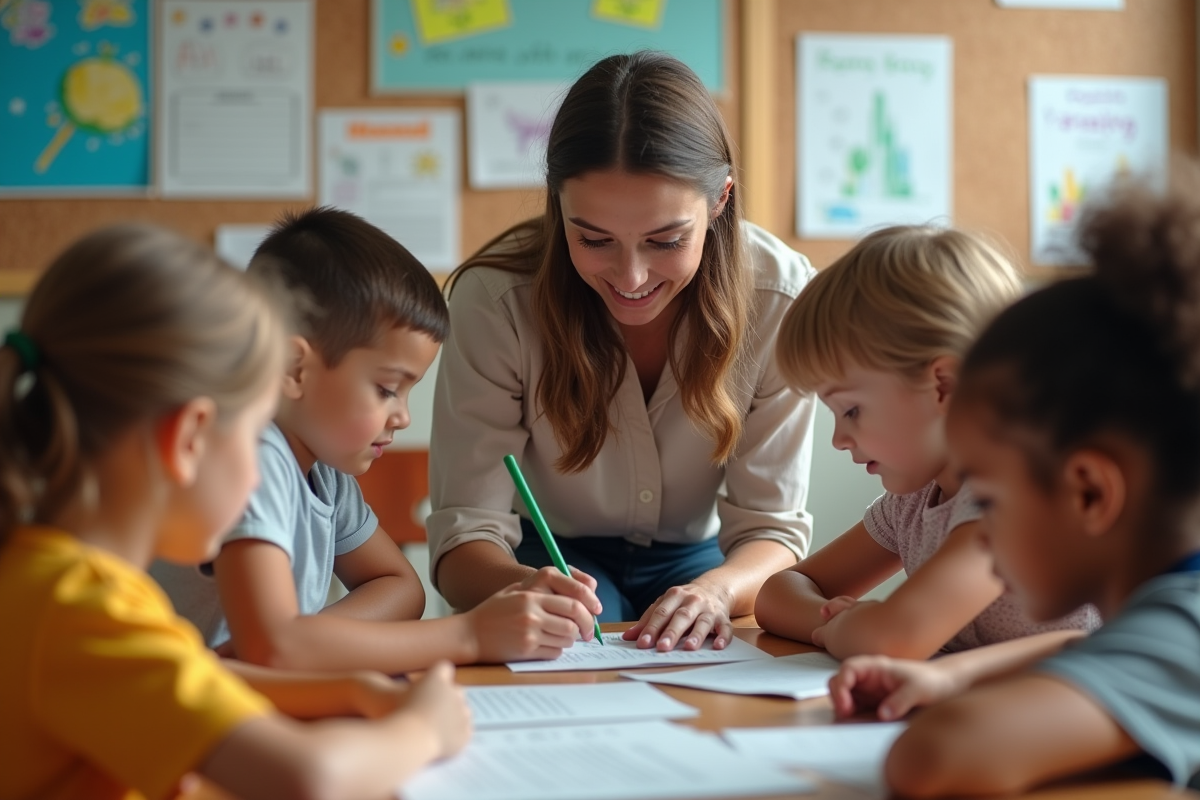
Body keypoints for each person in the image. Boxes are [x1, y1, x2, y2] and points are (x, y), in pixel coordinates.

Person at [0, 224, 469, 800]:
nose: (259, 475)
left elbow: (204, 675)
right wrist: (423, 730)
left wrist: (354, 691)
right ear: (189, 439)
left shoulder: (62, 582)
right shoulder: (83, 609)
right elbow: (309, 778)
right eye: (252, 438)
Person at [428, 50, 817, 652]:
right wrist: (525, 589)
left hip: (702, 561)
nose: (631, 277)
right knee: (578, 645)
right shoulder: (495, 301)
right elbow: (463, 541)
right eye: (594, 239)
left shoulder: (780, 298)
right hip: (547, 553)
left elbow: (773, 532)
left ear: (720, 200)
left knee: (702, 649)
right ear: (558, 204)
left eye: (666, 240)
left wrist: (717, 592)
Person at [828, 174, 1200, 796]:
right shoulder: (1163, 613)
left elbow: (936, 759)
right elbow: (1084, 646)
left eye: (993, 501)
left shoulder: (1186, 626)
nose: (981, 535)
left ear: (1089, 494)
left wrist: (954, 702)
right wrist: (952, 678)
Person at [153, 207, 594, 672]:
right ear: (294, 368)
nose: (403, 416)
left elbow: (401, 587)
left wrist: (309, 640)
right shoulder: (252, 461)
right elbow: (276, 649)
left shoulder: (325, 474)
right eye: (386, 389)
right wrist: (469, 635)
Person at [755, 225, 1100, 659]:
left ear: (944, 386)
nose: (839, 440)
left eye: (851, 411)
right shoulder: (913, 502)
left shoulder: (1009, 502)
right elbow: (779, 593)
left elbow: (892, 640)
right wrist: (841, 624)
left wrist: (864, 627)